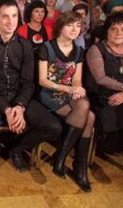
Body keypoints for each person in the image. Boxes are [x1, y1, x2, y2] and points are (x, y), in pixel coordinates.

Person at [0, 1, 62, 175]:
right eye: (5, 16)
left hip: (19, 95)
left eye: (14, 16)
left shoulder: (25, 45)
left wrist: (20, 106)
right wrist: (7, 109)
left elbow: (28, 82)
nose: (10, 21)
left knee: (54, 127)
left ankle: (16, 149)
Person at [38, 11, 95, 192]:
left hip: (70, 93)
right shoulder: (46, 47)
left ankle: (70, 162)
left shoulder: (78, 51)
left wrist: (77, 88)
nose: (74, 29)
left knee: (89, 114)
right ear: (61, 26)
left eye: (78, 26)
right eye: (70, 25)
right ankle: (77, 166)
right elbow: (43, 81)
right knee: (88, 114)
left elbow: (77, 79)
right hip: (51, 93)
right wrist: (69, 89)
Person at [86, 12, 123, 156]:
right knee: (116, 106)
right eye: (114, 29)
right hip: (102, 93)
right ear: (107, 31)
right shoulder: (96, 49)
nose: (119, 33)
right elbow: (101, 79)